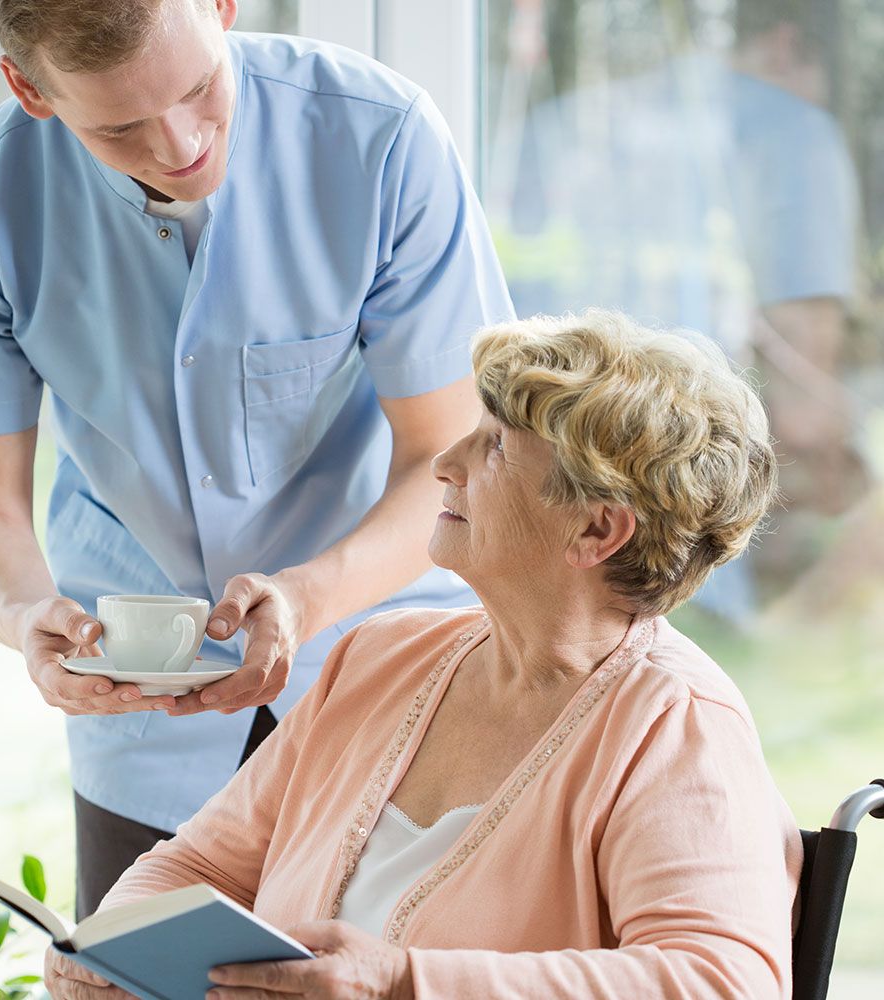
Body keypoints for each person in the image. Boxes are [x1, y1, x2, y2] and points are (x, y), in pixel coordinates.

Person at [0, 0, 513, 916]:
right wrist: (27, 615)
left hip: (384, 661)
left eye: (199, 88)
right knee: (136, 974)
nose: (181, 144)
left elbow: (449, 463)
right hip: (138, 711)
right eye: (118, 128)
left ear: (222, 6)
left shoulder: (380, 139)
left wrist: (306, 598)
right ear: (29, 90)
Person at [46, 310, 802, 1000]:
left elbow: (720, 983)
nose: (445, 461)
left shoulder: (676, 726)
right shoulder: (380, 655)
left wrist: (403, 983)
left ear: (597, 531)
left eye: (496, 447)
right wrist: (115, 949)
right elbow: (201, 866)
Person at [496, 0, 865, 617]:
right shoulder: (791, 133)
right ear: (786, 44)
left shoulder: (564, 122)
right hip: (684, 531)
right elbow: (804, 390)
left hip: (532, 494)